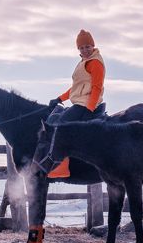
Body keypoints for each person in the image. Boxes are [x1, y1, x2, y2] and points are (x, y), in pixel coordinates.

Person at [46, 29, 107, 178]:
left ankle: (62, 168)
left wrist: (90, 108)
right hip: (80, 102)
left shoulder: (95, 62)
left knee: (60, 127)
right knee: (54, 118)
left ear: (93, 46)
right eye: (81, 48)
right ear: (78, 49)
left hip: (86, 104)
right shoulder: (84, 62)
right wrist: (59, 99)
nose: (85, 50)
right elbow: (76, 88)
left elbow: (96, 87)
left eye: (88, 46)